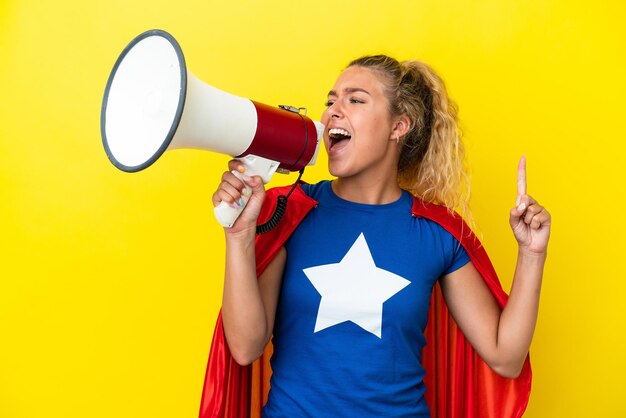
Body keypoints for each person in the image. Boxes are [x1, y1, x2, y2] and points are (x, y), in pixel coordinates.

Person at [207, 55, 550, 417]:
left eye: (355, 100)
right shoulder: (290, 210)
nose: (332, 113)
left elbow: (506, 357)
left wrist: (532, 254)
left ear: (398, 126)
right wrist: (240, 235)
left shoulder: (436, 232)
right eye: (330, 101)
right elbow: (245, 348)